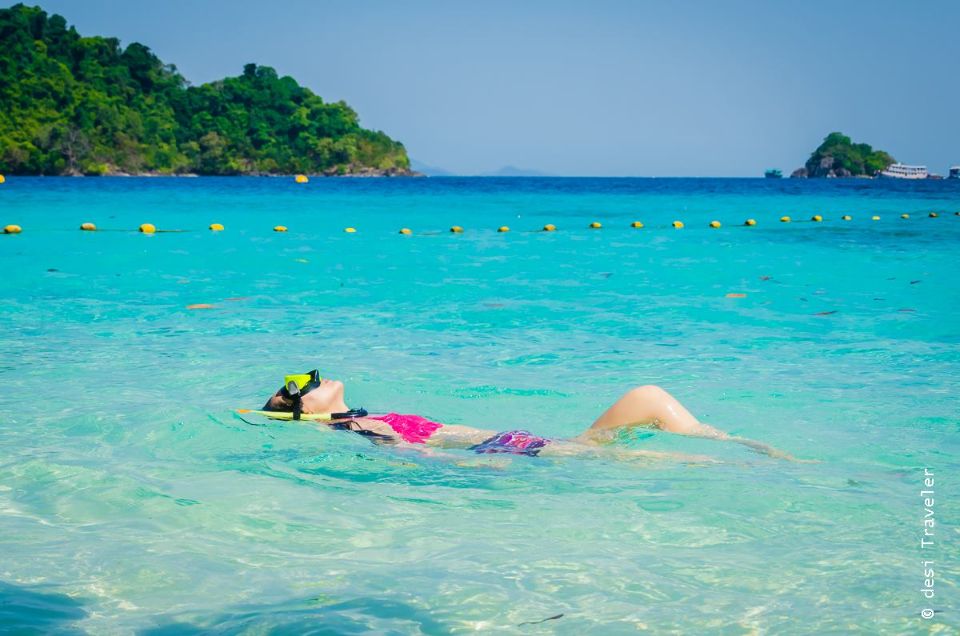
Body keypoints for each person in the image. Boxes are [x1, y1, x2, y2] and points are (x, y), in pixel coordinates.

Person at [259, 370, 797, 462]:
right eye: (297, 386)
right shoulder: (354, 425)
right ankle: (765, 461)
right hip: (511, 451)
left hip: (518, 443)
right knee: (651, 422)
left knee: (652, 401)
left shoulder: (361, 416)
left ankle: (753, 452)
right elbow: (414, 459)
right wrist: (486, 468)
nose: (311, 378)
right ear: (304, 409)